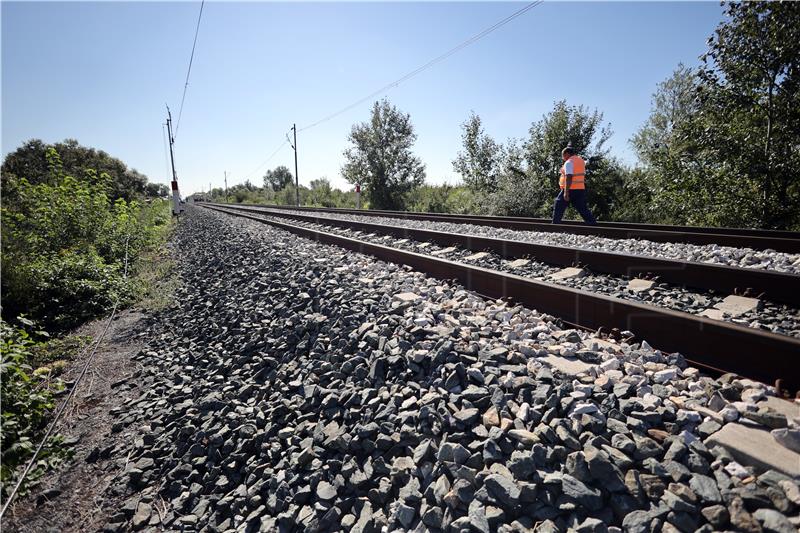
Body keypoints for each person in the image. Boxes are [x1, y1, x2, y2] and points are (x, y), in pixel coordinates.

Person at [552, 146, 597, 225]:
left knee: (559, 204)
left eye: (563, 155)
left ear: (567, 154)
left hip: (570, 188)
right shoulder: (581, 161)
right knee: (582, 207)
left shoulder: (569, 162)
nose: (563, 158)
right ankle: (592, 223)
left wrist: (566, 192)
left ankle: (555, 224)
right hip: (580, 189)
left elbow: (569, 176)